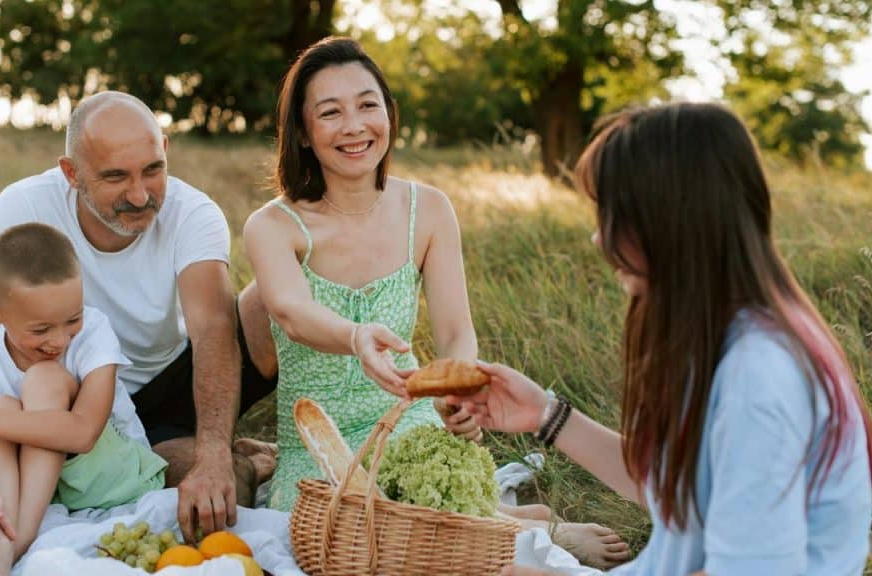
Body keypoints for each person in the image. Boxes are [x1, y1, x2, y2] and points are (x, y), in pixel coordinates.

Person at [243, 36, 629, 568]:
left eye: (367, 105)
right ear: (304, 134)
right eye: (330, 113)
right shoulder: (271, 225)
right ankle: (516, 524)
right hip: (318, 437)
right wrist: (356, 337)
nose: (354, 126)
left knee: (416, 512)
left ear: (389, 114)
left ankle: (519, 528)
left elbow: (454, 332)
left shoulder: (427, 209)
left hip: (405, 415)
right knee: (344, 530)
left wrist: (458, 391)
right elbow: (289, 310)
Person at [448, 102, 872, 575]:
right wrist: (544, 415)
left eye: (612, 214)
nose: (598, 239)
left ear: (669, 219)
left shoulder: (757, 376)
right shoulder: (733, 337)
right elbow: (676, 489)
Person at [0, 91, 278, 545]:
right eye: (116, 177)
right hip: (80, 396)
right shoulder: (20, 211)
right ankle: (246, 458)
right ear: (72, 174)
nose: (140, 195)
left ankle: (236, 448)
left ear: (166, 151)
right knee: (196, 487)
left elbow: (214, 331)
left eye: (153, 170)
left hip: (175, 375)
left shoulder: (193, 213)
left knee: (276, 297)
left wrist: (211, 456)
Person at [0, 223, 166, 575]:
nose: (60, 341)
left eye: (71, 319)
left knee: (41, 380)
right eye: (41, 329)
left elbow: (83, 433)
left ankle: (13, 544)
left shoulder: (94, 332)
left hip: (111, 478)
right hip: (37, 488)